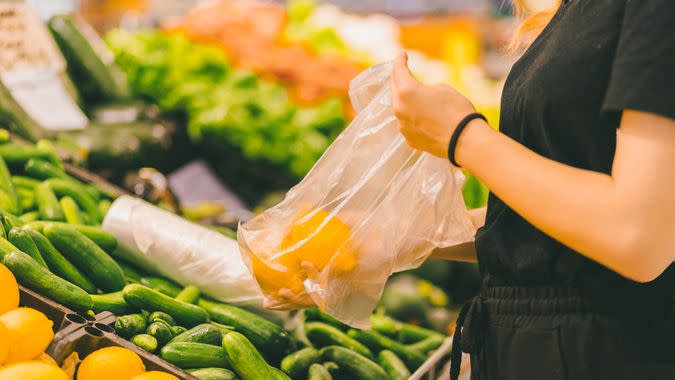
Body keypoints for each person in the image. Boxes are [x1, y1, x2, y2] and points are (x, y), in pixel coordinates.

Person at [392, 0, 675, 379]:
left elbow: (638, 232)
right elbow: (558, 225)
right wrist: (391, 237)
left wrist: (462, 136)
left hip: (604, 353)